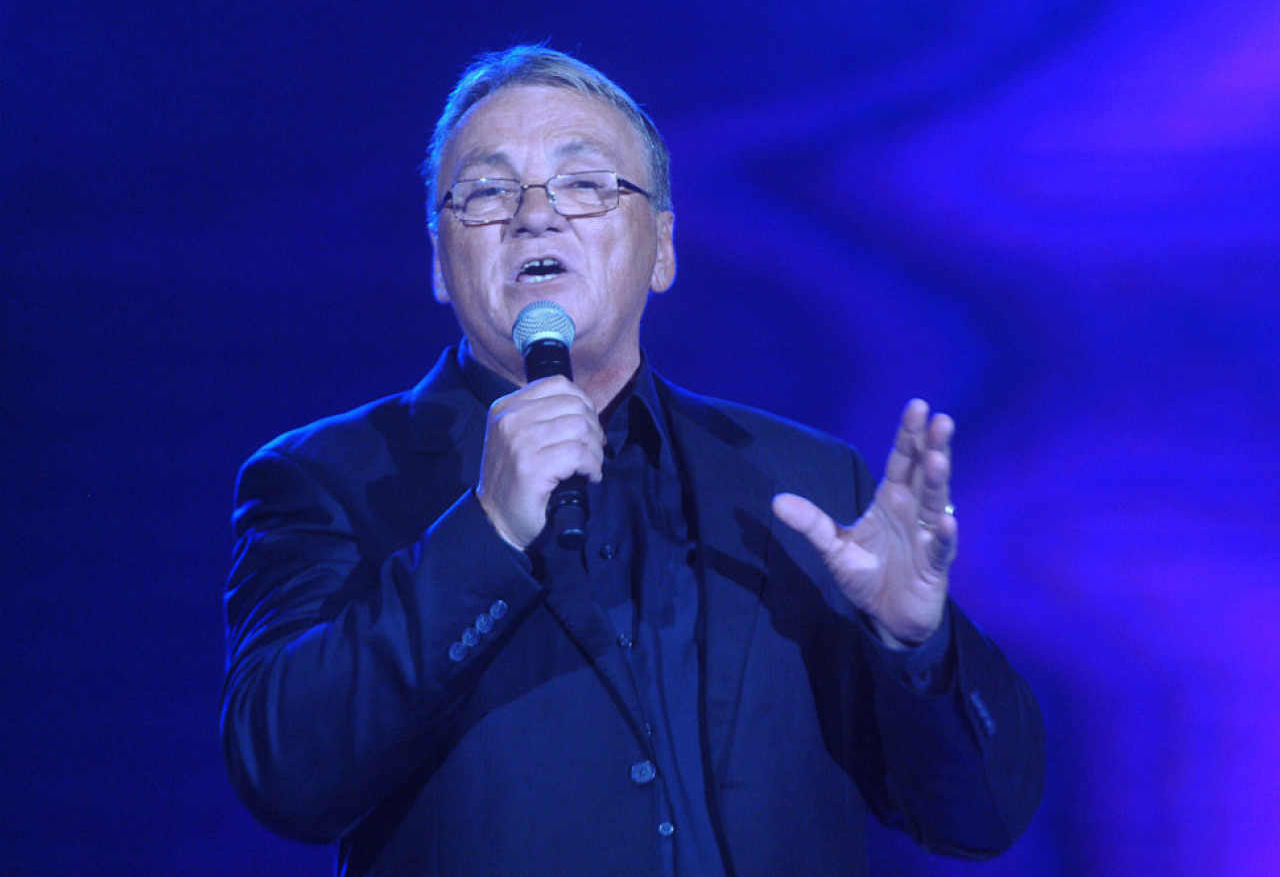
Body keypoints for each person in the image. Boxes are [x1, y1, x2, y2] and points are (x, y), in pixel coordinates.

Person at [221, 45, 1045, 876]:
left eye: (584, 184)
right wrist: (486, 533)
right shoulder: (326, 479)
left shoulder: (806, 483)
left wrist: (917, 646)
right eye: (488, 192)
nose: (534, 217)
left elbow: (980, 816)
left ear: (662, 248)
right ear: (439, 261)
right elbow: (288, 777)